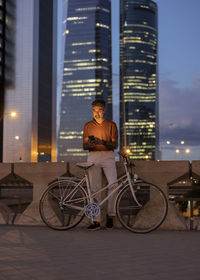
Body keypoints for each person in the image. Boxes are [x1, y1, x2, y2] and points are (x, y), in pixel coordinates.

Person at [83, 99, 118, 230]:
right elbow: (84, 145)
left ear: (104, 110)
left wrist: (101, 142)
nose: (96, 113)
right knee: (94, 188)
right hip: (93, 156)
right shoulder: (87, 125)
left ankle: (111, 215)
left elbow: (115, 144)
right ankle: (96, 220)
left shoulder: (111, 125)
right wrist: (90, 144)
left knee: (114, 184)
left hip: (108, 156)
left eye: (99, 110)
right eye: (94, 110)